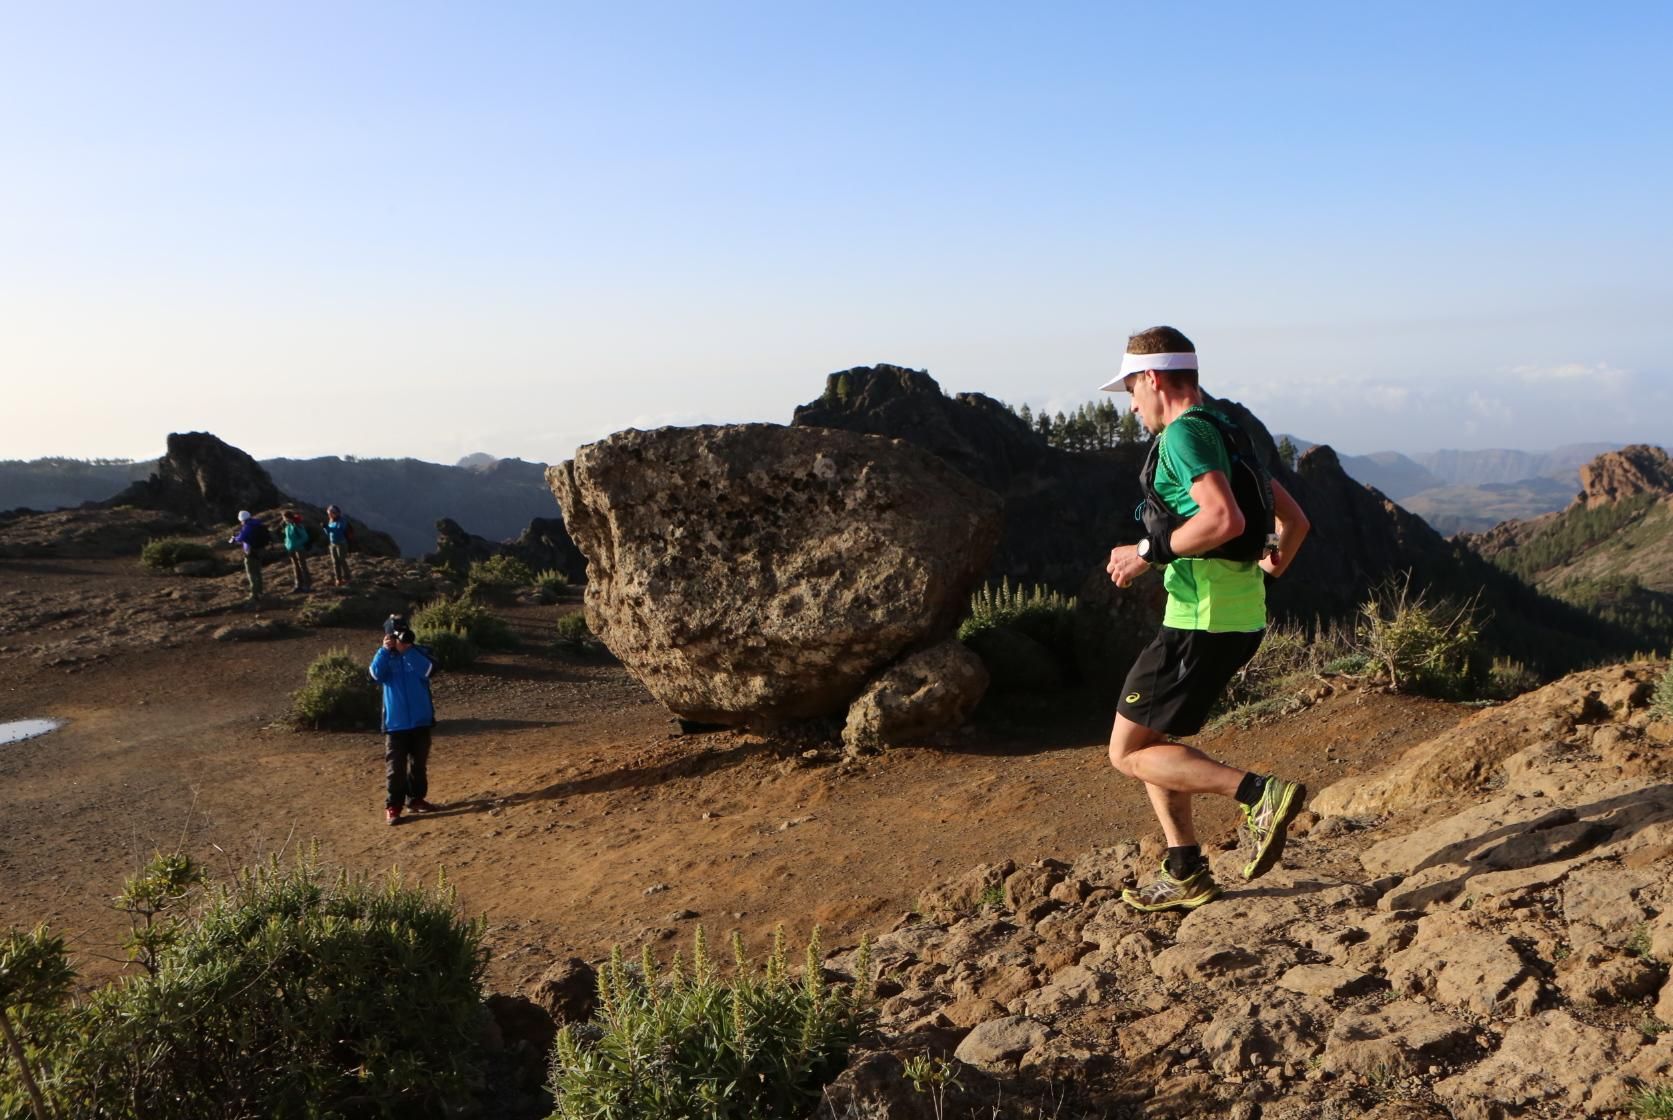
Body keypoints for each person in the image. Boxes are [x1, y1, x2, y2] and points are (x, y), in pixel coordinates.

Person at [1101, 325, 1312, 912]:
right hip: (1237, 613)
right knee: (1152, 739)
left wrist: (1144, 554)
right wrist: (1268, 570)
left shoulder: (1183, 438)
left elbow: (1223, 520)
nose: (1133, 406)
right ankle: (1184, 867)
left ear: (1152, 378)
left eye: (1131, 392)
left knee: (1125, 752)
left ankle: (1259, 794)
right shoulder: (1227, 429)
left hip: (1201, 619)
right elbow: (1293, 522)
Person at [369, 615, 439, 825]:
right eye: (395, 633)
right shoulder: (384, 657)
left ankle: (416, 799)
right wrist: (384, 651)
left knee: (419, 765)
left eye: (403, 631)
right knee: (395, 769)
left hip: (420, 720)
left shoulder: (418, 652)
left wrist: (407, 650)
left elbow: (429, 670)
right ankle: (394, 806)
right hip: (395, 724)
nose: (401, 636)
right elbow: (374, 675)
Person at [228, 510, 270, 602]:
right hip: (260, 550)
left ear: (242, 519)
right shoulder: (257, 524)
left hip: (251, 552)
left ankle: (254, 594)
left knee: (252, 573)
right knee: (258, 572)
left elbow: (241, 538)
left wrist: (234, 539)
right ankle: (260, 591)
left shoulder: (248, 527)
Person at [282, 510, 314, 594]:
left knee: (302, 566)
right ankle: (298, 585)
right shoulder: (287, 527)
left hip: (299, 549)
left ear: (288, 518)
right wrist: (287, 545)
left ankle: (307, 585)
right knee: (296, 567)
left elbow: (305, 537)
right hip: (292, 550)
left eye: (285, 518)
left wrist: (295, 545)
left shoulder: (297, 526)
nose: (284, 520)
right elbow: (287, 538)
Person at [323, 504, 353, 586]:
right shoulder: (331, 521)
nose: (329, 515)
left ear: (335, 513)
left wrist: (328, 528)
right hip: (333, 543)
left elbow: (339, 530)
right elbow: (329, 533)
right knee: (335, 562)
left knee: (342, 560)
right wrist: (325, 528)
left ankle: (348, 578)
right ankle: (338, 579)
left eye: (330, 513)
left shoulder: (342, 521)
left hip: (341, 543)